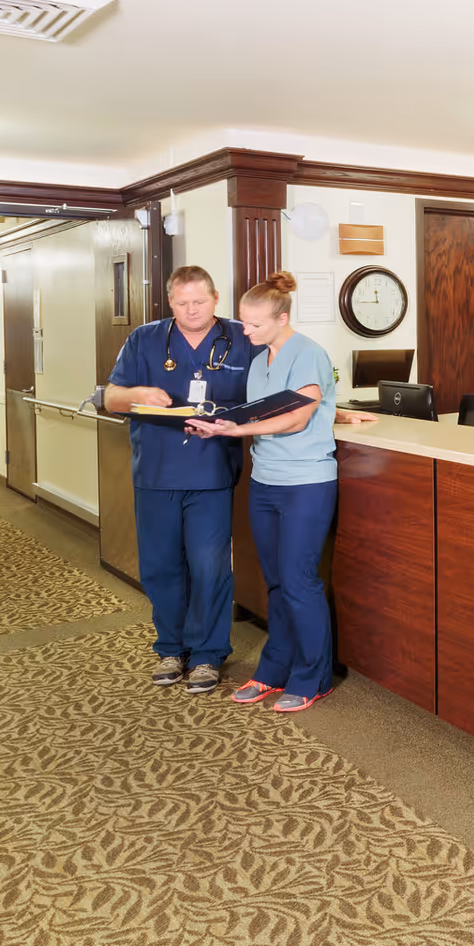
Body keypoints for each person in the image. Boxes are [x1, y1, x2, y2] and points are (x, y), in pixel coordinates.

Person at [186, 273, 342, 713]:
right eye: (243, 324)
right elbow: (260, 410)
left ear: (282, 318)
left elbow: (296, 418)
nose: (245, 333)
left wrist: (238, 429)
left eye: (254, 325)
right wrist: (218, 423)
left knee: (299, 581)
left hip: (306, 483)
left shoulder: (308, 353)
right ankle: (275, 669)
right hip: (266, 481)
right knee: (275, 582)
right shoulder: (259, 362)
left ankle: (314, 677)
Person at [104, 266, 255, 695]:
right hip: (155, 471)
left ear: (216, 298)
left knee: (209, 567)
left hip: (211, 471)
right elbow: (111, 397)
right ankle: (171, 647)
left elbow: (278, 392)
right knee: (161, 566)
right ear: (170, 302)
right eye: (182, 302)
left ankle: (207, 654)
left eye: (200, 302)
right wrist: (137, 395)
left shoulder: (242, 338)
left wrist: (331, 410)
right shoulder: (145, 339)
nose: (192, 310)